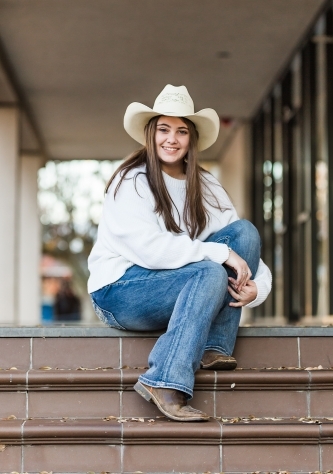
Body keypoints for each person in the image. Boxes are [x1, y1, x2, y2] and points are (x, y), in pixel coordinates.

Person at [88, 84, 272, 422]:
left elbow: (246, 253)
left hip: (175, 285)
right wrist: (217, 254)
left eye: (181, 131)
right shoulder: (131, 182)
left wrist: (259, 289)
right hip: (118, 291)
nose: (171, 139)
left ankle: (214, 345)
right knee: (211, 268)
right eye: (163, 129)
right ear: (150, 133)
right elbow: (151, 251)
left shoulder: (206, 185)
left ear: (192, 139)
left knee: (244, 232)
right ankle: (164, 381)